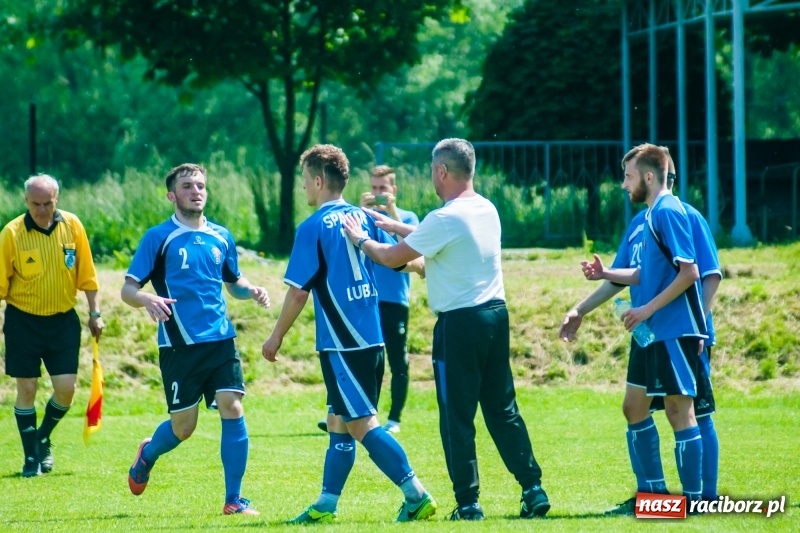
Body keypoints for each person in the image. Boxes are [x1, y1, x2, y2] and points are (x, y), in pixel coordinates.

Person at [342, 138, 550, 521]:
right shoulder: (485, 209)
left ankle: (468, 504)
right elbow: (437, 241)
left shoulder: (443, 218)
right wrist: (393, 224)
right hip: (495, 316)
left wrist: (361, 238)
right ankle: (532, 489)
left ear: (441, 171)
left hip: (458, 325)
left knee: (456, 416)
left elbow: (389, 257)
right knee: (503, 410)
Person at [261, 144, 436, 524]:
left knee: (360, 425)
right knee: (338, 421)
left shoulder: (312, 228)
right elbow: (398, 260)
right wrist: (423, 268)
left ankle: (416, 494)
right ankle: (325, 505)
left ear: (319, 181)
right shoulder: (365, 217)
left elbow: (297, 292)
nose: (304, 189)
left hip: (343, 343)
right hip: (372, 339)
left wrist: (275, 337)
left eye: (305, 181)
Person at [558, 148, 722, 514]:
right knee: (634, 407)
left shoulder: (674, 212)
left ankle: (699, 502)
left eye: (628, 176)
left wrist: (699, 328)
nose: (623, 184)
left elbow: (698, 274)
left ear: (650, 177)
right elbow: (639, 273)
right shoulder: (643, 220)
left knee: (687, 411)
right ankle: (654, 499)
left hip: (676, 331)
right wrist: (592, 292)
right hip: (648, 333)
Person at [121, 163, 270, 515]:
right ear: (172, 195)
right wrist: (146, 299)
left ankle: (233, 500)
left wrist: (253, 291)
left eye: (200, 185)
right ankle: (147, 454)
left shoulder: (221, 235)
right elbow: (128, 288)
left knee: (233, 406)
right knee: (184, 428)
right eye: (187, 186)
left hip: (220, 338)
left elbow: (233, 282)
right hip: (178, 345)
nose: (196, 191)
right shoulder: (159, 237)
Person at [0, 174, 104, 477]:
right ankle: (31, 457)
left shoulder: (72, 226)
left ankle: (43, 436)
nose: (42, 210)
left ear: (56, 199)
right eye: (36, 204)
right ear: (25, 202)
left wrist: (95, 313)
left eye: (47, 203)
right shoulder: (12, 234)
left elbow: (87, 274)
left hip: (62, 322)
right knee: (27, 388)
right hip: (23, 321)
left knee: (66, 390)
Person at [317, 165, 419, 434]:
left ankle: (394, 419)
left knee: (397, 359)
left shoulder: (407, 217)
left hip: (394, 300)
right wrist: (361, 210)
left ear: (393, 190)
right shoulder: (357, 217)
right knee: (356, 356)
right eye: (373, 188)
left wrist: (393, 213)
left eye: (383, 189)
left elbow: (410, 250)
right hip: (363, 301)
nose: (378, 193)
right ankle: (344, 414)